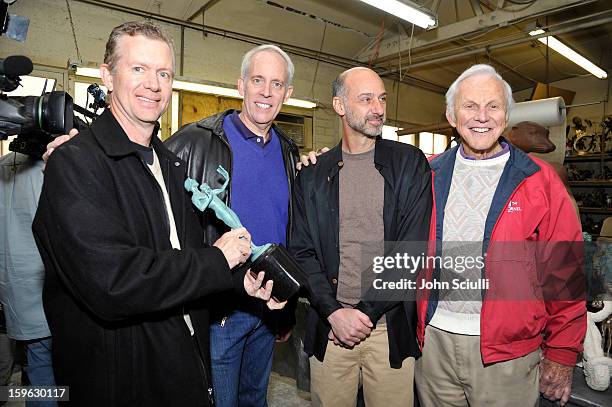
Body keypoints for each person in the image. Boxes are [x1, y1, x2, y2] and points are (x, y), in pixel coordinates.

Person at [33, 21, 281, 407]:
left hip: (181, 364)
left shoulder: (169, 165)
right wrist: (218, 259)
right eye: (138, 69)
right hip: (121, 380)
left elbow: (182, 258)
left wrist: (238, 285)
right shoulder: (76, 164)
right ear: (107, 76)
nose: (154, 84)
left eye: (163, 73)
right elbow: (114, 284)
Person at [414, 64, 586, 407]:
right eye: (469, 106)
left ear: (506, 115)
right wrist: (323, 164)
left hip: (508, 355)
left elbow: (565, 272)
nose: (482, 116)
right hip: (433, 346)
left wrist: (562, 351)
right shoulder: (427, 174)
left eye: (492, 106)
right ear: (451, 114)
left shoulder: (539, 180)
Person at [164, 44, 299, 407]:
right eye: (257, 80)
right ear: (241, 85)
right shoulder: (196, 141)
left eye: (276, 84)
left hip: (268, 304)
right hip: (220, 308)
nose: (266, 92)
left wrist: (286, 304)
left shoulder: (289, 151)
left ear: (287, 93)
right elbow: (145, 179)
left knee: (255, 398)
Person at [290, 67, 432, 407]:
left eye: (381, 99)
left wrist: (364, 314)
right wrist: (335, 313)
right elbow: (302, 251)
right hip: (331, 327)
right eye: (366, 99)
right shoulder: (312, 174)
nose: (378, 109)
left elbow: (410, 251)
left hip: (387, 327)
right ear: (340, 105)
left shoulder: (409, 163)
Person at [0, 151, 57, 406]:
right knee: (47, 369)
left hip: (15, 285)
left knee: (37, 367)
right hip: (48, 284)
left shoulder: (3, 165)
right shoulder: (51, 164)